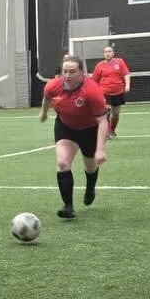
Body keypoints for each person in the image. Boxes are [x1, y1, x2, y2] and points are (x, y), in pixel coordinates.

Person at [39, 54, 109, 220]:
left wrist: (100, 149)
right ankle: (68, 206)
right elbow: (47, 98)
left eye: (72, 72)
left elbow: (103, 121)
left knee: (90, 166)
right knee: (62, 163)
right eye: (65, 71)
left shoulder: (92, 91)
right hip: (66, 127)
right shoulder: (52, 86)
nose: (68, 76)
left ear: (81, 73)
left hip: (89, 130)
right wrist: (43, 113)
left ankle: (90, 188)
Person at [91, 44, 131, 138]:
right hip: (104, 92)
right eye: (106, 52)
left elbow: (126, 74)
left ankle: (112, 131)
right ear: (103, 54)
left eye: (109, 51)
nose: (108, 53)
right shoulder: (100, 65)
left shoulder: (120, 62)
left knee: (116, 114)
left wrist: (127, 85)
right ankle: (107, 132)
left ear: (113, 53)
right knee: (106, 112)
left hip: (118, 92)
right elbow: (94, 80)